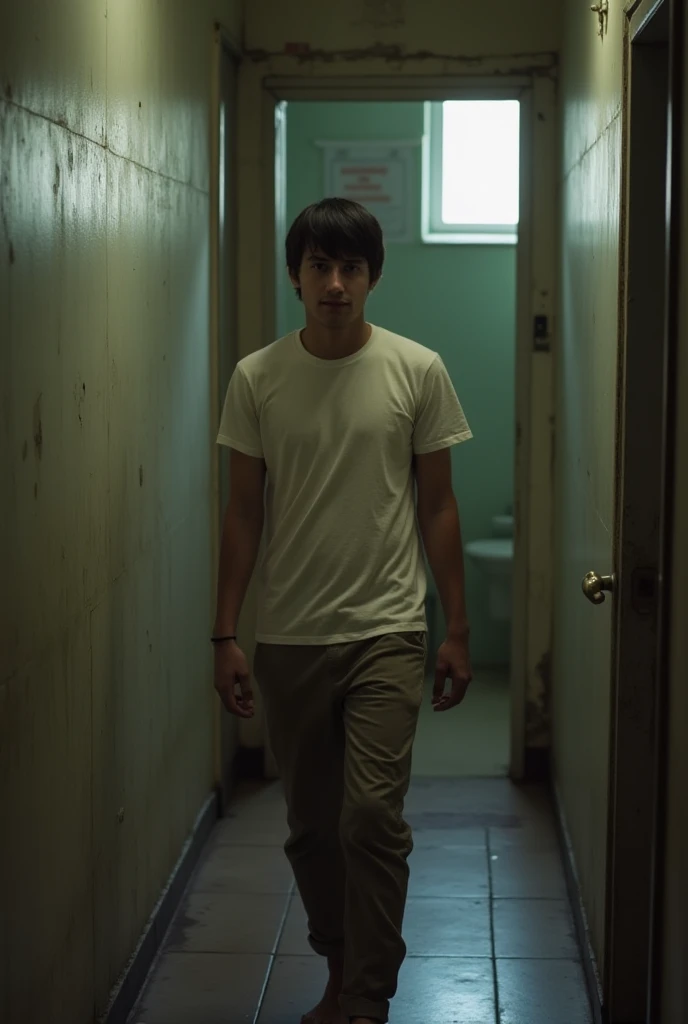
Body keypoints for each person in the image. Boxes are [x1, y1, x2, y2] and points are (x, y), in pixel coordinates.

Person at [212, 197, 473, 1024]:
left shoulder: (416, 369)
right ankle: (341, 963)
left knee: (370, 815)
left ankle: (366, 991)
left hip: (388, 631)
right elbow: (244, 513)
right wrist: (226, 632)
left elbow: (438, 507)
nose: (334, 284)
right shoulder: (257, 378)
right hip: (290, 634)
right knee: (312, 829)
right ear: (296, 276)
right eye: (319, 267)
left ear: (372, 276)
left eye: (350, 268)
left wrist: (455, 628)